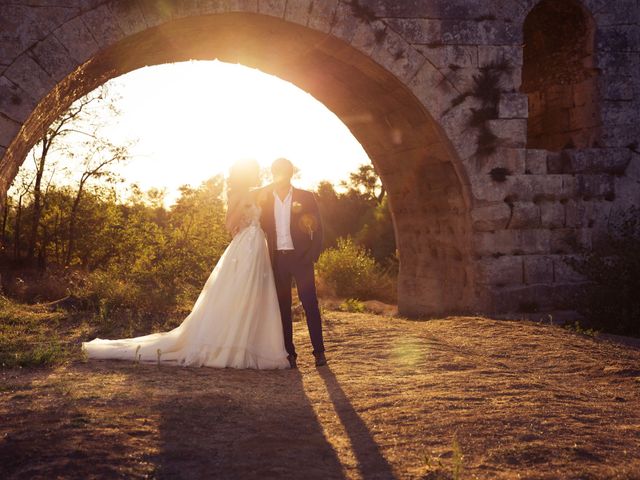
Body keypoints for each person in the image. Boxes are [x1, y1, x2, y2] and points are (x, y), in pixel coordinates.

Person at [81, 159, 290, 369]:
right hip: (243, 247)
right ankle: (229, 346)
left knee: (254, 296)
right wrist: (243, 214)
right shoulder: (237, 194)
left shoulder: (257, 192)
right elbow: (229, 224)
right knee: (236, 294)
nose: (256, 174)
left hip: (258, 249)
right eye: (252, 171)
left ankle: (250, 344)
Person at [260, 158, 327, 368]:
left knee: (310, 305)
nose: (279, 175)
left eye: (283, 172)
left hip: (301, 259)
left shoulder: (305, 197)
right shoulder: (265, 200)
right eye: (275, 171)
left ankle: (319, 353)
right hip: (278, 259)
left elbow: (318, 229)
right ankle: (290, 354)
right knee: (282, 308)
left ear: (290, 174)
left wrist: (311, 255)